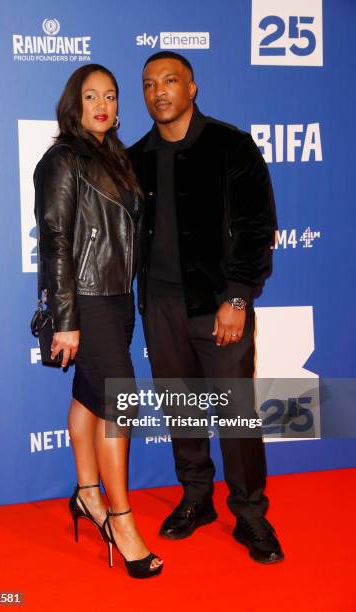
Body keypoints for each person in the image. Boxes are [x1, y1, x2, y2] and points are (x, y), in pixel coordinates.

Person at [128, 51, 284, 563]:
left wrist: (237, 296)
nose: (159, 92)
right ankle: (197, 499)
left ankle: (251, 514)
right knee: (182, 408)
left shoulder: (230, 145)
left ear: (191, 88)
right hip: (161, 308)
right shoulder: (136, 158)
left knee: (238, 415)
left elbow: (258, 228)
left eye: (170, 81)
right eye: (149, 84)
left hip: (220, 305)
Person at [34, 64, 163, 578]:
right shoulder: (64, 159)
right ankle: (122, 520)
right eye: (91, 96)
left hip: (115, 298)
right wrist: (65, 318)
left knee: (91, 396)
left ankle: (88, 494)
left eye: (110, 96)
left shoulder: (113, 158)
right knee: (120, 404)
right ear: (74, 104)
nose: (103, 105)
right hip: (84, 301)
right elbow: (56, 239)